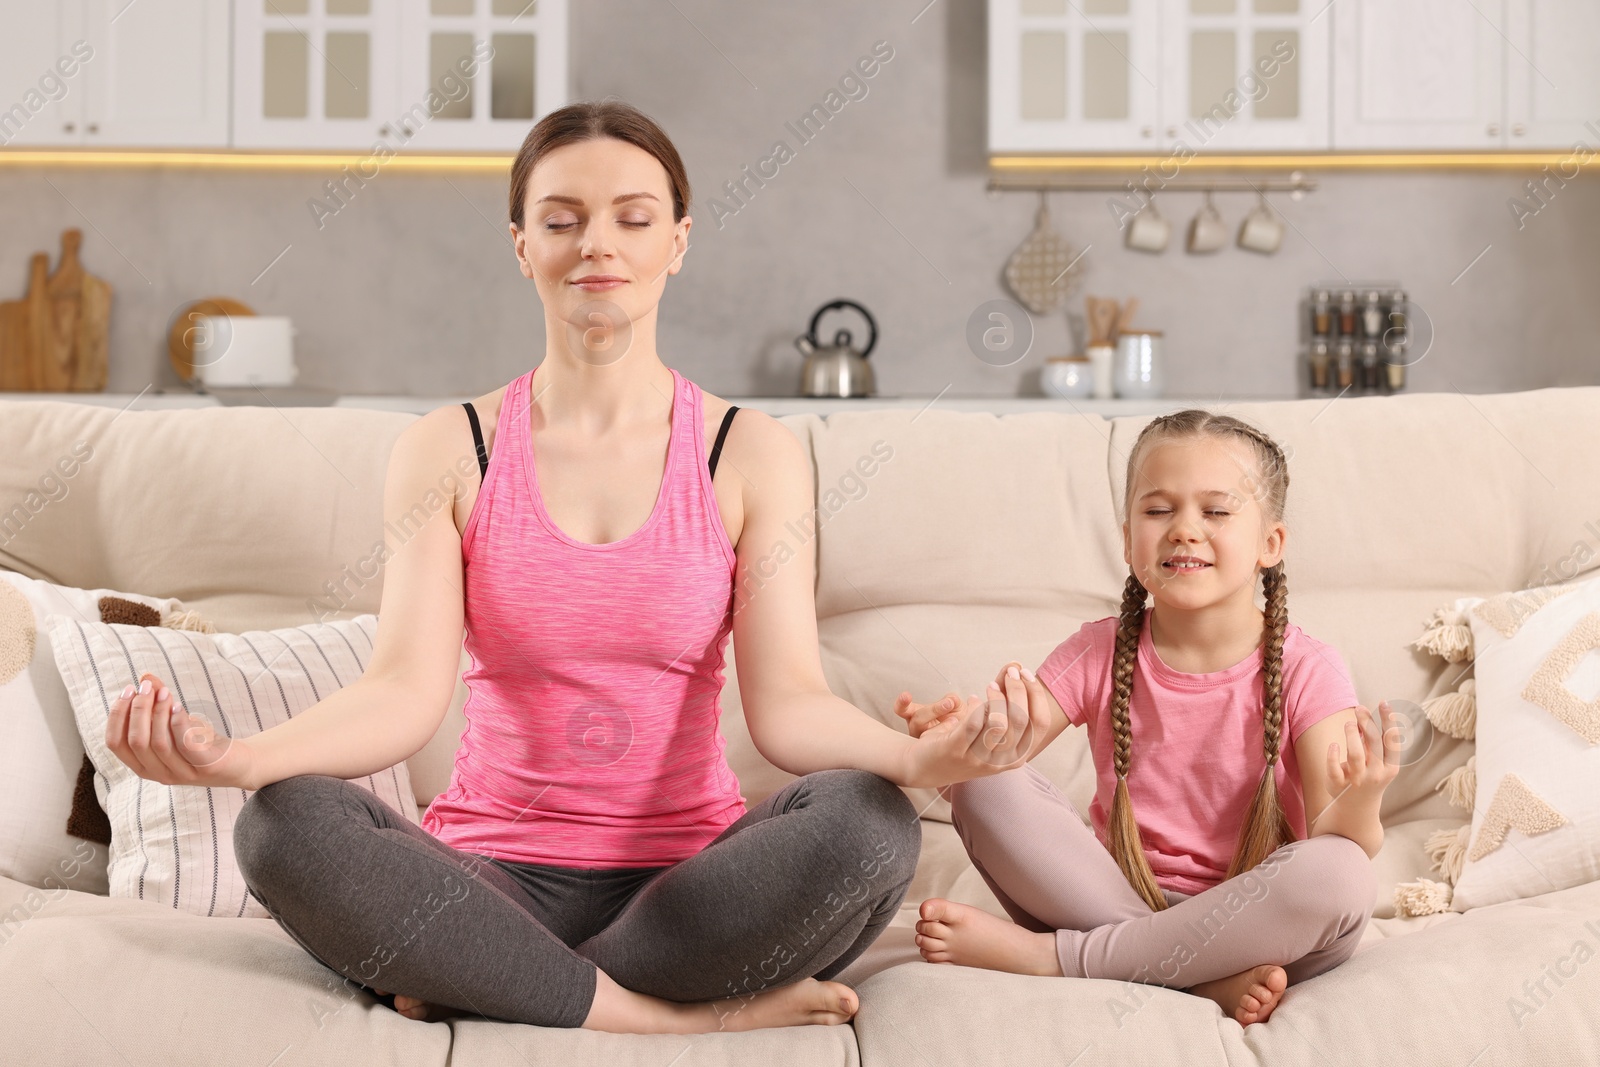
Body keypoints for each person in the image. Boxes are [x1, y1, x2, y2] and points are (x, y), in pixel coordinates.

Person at [101, 100, 1049, 1034]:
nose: (599, 244)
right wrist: (241, 759)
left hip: (691, 890)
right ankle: (666, 1016)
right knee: (282, 824)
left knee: (868, 822)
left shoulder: (747, 451)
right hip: (489, 881)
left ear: (678, 241)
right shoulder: (450, 448)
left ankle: (503, 986)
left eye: (633, 219)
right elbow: (400, 689)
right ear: (522, 244)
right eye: (562, 220)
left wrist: (917, 759)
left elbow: (791, 703)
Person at [896, 410, 1400, 1026]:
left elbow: (1344, 838)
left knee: (1341, 875)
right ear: (1128, 534)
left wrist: (1362, 800)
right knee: (981, 779)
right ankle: (1197, 981)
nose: (1184, 530)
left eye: (1216, 511)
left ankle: (1056, 959)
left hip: (1254, 928)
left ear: (1271, 543)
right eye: (1158, 511)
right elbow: (1005, 748)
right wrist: (959, 737)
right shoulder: (1098, 650)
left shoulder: (1310, 668)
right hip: (1105, 896)